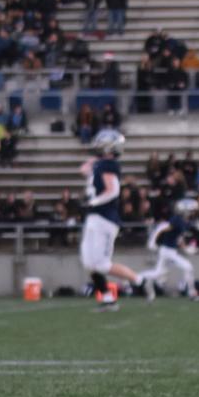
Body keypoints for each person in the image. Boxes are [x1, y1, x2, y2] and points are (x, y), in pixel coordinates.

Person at [78, 127, 145, 309]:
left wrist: (93, 201)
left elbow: (113, 190)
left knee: (101, 264)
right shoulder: (101, 164)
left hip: (105, 218)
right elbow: (83, 169)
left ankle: (140, 280)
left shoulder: (110, 165)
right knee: (88, 263)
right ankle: (107, 297)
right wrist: (94, 162)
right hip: (94, 217)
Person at [143, 202, 199, 300]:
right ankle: (192, 293)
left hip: (169, 251)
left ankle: (147, 281)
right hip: (167, 251)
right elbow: (162, 228)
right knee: (188, 267)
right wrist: (153, 241)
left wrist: (186, 249)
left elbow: (178, 239)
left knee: (159, 273)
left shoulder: (184, 221)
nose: (193, 213)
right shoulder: (177, 219)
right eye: (192, 211)